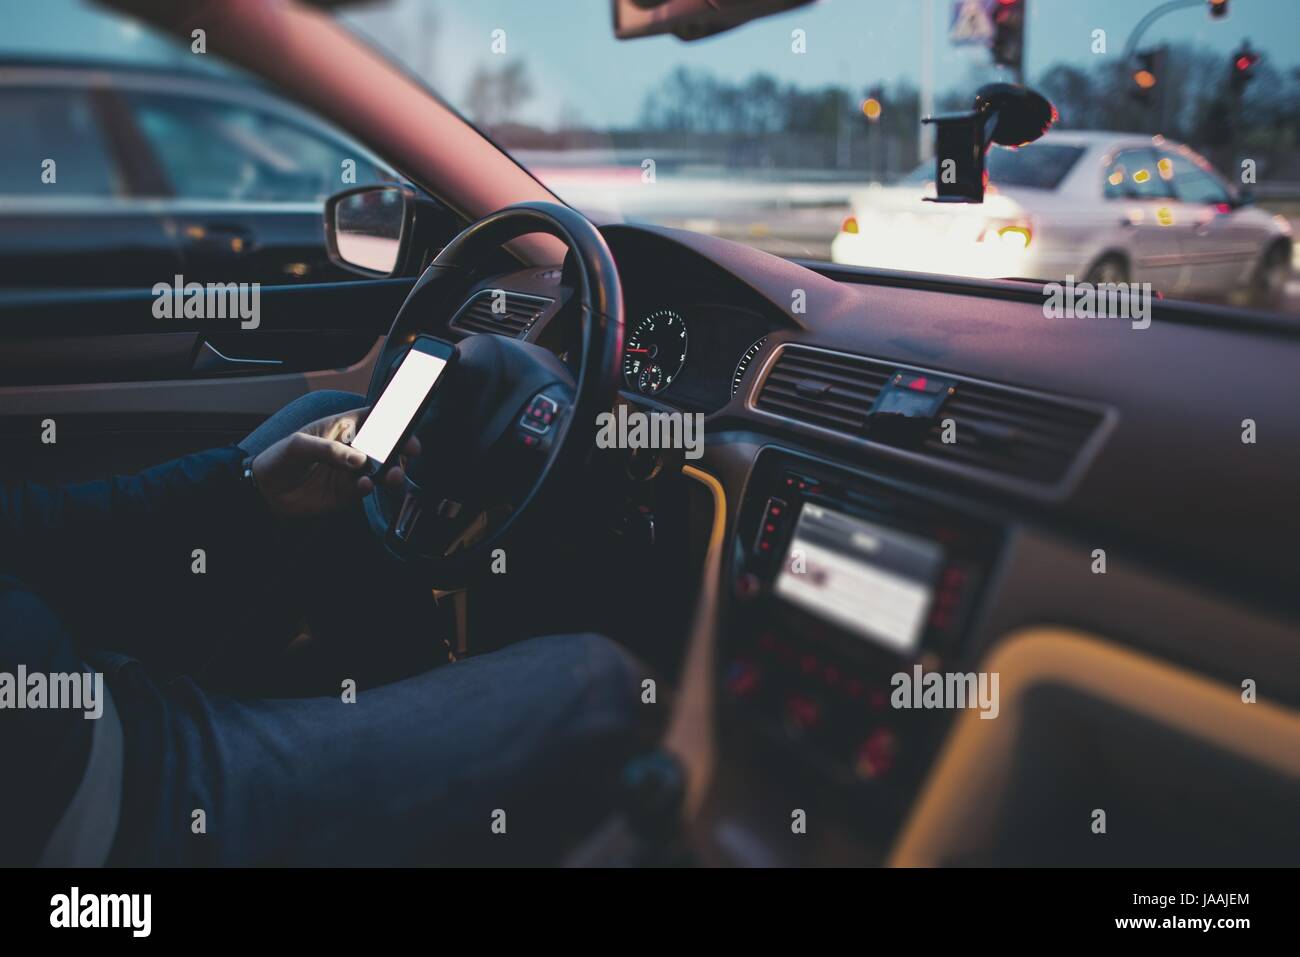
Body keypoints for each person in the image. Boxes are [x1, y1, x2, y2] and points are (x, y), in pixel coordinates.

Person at [0, 390, 643, 866]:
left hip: (87, 672)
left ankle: (421, 770)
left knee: (333, 418)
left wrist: (248, 487)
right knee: (600, 684)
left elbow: (37, 528)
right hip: (109, 801)